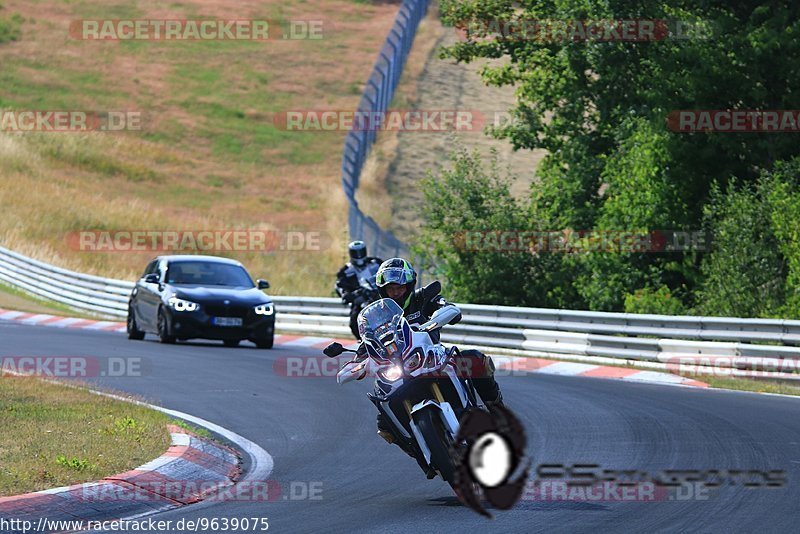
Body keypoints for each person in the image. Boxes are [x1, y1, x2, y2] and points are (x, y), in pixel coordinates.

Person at [349, 257, 504, 475]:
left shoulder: (423, 298)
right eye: (390, 288)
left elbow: (444, 305)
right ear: (382, 289)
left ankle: (496, 408)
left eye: (400, 287)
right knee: (383, 425)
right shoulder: (378, 313)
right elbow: (367, 341)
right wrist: (357, 359)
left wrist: (447, 310)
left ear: (410, 286)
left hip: (432, 357)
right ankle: (418, 450)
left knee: (476, 360)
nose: (396, 292)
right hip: (399, 369)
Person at [335, 241, 383, 338]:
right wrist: (350, 294)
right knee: (354, 320)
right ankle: (362, 340)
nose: (359, 255)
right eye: (355, 252)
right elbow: (341, 286)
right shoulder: (346, 270)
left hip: (381, 295)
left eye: (361, 251)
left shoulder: (376, 263)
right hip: (362, 300)